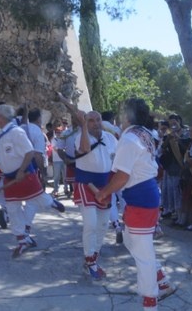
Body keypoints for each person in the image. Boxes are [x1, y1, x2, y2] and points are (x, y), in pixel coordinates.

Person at [94, 99, 173, 311]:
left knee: (143, 254)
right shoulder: (143, 132)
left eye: (121, 113)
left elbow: (121, 176)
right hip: (144, 195)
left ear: (127, 116)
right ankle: (161, 280)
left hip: (140, 198)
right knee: (131, 241)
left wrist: (104, 192)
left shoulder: (130, 138)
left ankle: (151, 301)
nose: (119, 117)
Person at [0, 104, 65, 258]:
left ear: (3, 117)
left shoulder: (17, 132)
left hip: (25, 174)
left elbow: (29, 152)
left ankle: (52, 203)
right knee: (12, 209)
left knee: (39, 200)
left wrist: (21, 171)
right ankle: (22, 240)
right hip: (9, 178)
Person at [73, 110, 117, 280]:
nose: (96, 123)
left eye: (98, 120)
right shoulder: (81, 136)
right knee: (91, 223)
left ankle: (94, 257)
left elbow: (118, 159)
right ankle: (90, 261)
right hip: (86, 184)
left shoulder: (111, 138)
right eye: (91, 120)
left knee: (103, 224)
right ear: (86, 123)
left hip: (105, 185)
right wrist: (83, 126)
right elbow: (84, 148)